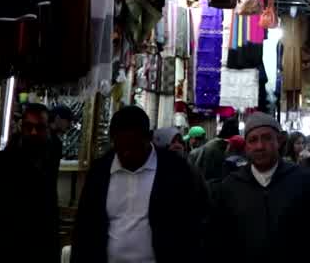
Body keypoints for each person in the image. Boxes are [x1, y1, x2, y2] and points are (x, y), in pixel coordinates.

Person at [71, 106, 208, 263]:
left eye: (134, 147)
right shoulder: (100, 172)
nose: (127, 154)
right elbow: (84, 227)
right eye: (121, 148)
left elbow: (193, 225)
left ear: (149, 137)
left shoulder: (176, 170)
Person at [210, 112, 310, 260]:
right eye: (253, 140)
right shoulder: (231, 187)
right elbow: (218, 241)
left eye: (266, 138)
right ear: (246, 146)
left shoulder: (303, 182)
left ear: (279, 141)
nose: (260, 146)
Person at [0, 103, 59, 263]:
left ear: (47, 130)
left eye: (39, 127)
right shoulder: (1, 164)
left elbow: (49, 219)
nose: (33, 132)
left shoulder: (47, 163)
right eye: (28, 126)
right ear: (21, 128)